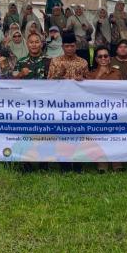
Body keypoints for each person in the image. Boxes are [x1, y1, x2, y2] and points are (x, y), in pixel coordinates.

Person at [48, 32, 88, 173]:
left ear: (76, 46)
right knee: (62, 133)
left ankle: (78, 164)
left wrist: (82, 80)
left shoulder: (83, 62)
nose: (69, 48)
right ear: (62, 46)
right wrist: (60, 76)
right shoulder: (55, 61)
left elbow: (89, 84)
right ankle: (64, 164)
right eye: (67, 46)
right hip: (60, 104)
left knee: (77, 133)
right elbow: (49, 82)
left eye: (72, 46)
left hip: (78, 104)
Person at [86, 46, 123, 173]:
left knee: (115, 137)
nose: (103, 58)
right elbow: (89, 91)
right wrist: (100, 74)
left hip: (114, 109)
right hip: (98, 110)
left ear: (109, 58)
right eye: (100, 56)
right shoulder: (90, 74)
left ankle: (117, 163)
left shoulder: (117, 73)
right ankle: (102, 164)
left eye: (105, 56)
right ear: (96, 59)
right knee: (100, 137)